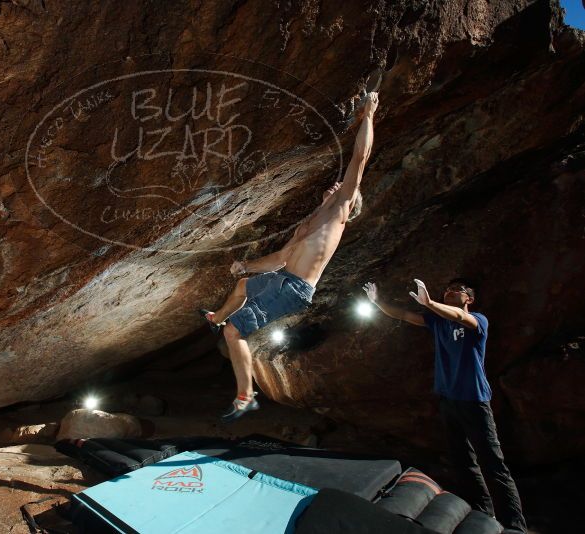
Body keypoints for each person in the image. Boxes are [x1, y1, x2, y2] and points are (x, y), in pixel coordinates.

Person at [200, 93, 379, 422]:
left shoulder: (339, 213)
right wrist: (248, 266)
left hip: (293, 290)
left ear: (350, 204)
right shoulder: (311, 223)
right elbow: (280, 257)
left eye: (344, 190)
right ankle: (215, 319)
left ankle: (246, 395)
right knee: (242, 285)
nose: (339, 186)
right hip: (282, 278)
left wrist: (368, 115)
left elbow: (360, 157)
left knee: (234, 334)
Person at [363, 278, 527, 533]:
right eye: (447, 290)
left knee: (493, 464)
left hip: (474, 401)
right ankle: (482, 514)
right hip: (448, 401)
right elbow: (405, 315)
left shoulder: (478, 321)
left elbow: (462, 318)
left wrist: (429, 302)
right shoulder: (438, 322)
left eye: (457, 290)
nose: (450, 291)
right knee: (463, 462)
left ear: (469, 299)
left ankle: (515, 527)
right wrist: (377, 303)